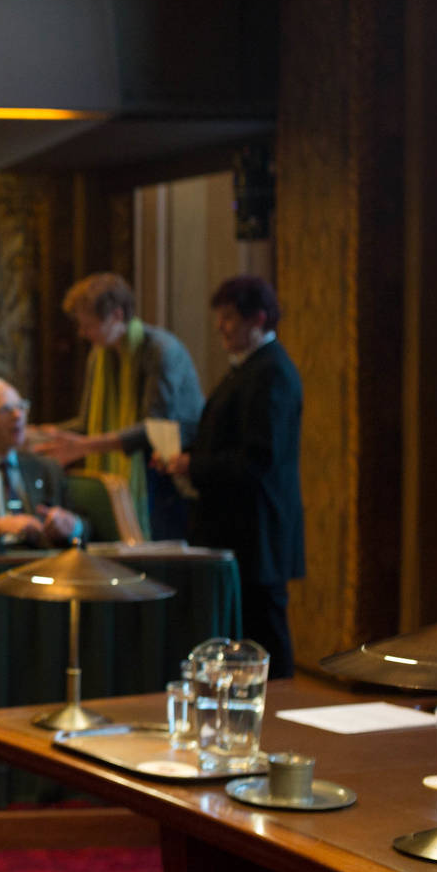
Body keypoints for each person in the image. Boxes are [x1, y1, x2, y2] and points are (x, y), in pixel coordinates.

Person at [157, 275, 303, 675]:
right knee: (245, 634)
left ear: (258, 319)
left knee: (265, 634)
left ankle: (281, 705)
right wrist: (185, 457)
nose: (220, 326)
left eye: (229, 318)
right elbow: (226, 440)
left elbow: (259, 459)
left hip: (257, 532)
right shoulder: (247, 370)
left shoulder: (271, 372)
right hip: (236, 530)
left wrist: (192, 465)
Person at [33, 272, 202, 540]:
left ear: (117, 315)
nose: (82, 333)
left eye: (89, 325)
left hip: (164, 477)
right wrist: (45, 434)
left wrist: (85, 446)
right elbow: (88, 423)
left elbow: (155, 428)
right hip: (129, 469)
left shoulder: (161, 350)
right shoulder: (99, 355)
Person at [0, 377, 86, 549]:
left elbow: (86, 526)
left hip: (44, 561)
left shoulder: (46, 467)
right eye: (5, 409)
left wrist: (72, 525)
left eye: (21, 406)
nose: (17, 415)